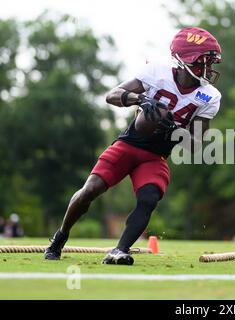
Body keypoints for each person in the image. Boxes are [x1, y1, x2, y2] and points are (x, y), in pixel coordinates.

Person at [44, 27, 223, 265]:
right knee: (90, 190)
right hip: (129, 144)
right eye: (205, 62)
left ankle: (120, 250)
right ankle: (60, 236)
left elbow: (196, 144)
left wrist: (176, 132)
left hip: (155, 156)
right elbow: (112, 95)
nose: (209, 69)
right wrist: (141, 99)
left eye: (211, 63)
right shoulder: (156, 72)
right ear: (185, 60)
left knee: (149, 198)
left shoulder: (210, 96)